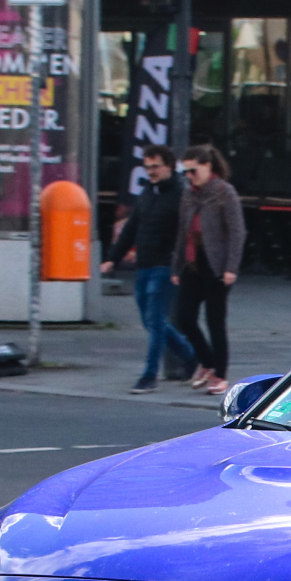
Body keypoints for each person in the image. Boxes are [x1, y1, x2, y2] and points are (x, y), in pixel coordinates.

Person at [103, 145, 187, 394]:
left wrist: (180, 263)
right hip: (145, 264)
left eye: (155, 167)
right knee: (150, 321)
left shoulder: (180, 194)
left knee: (156, 321)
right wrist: (113, 258)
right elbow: (132, 228)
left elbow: (185, 233)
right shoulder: (148, 192)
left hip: (166, 265)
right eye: (147, 167)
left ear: (169, 166)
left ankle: (150, 375)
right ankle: (191, 356)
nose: (150, 172)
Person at [173, 143, 246, 396]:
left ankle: (220, 374)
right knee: (185, 316)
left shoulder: (224, 192)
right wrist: (176, 265)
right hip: (193, 263)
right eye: (186, 172)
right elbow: (182, 232)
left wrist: (231, 267)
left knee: (215, 320)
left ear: (207, 166)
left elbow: (237, 232)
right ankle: (206, 362)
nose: (189, 177)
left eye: (193, 171)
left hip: (217, 264)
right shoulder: (189, 194)